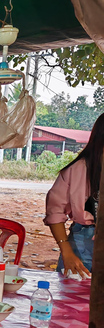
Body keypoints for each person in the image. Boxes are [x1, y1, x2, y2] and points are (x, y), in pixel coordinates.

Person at [44, 112, 104, 277]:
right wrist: (67, 251)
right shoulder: (77, 170)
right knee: (72, 299)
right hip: (81, 245)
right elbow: (55, 211)